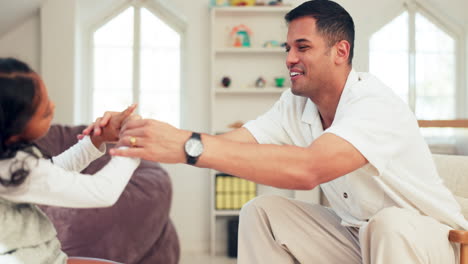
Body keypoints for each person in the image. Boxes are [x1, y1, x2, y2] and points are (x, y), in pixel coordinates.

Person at [87, 0, 467, 263]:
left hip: (432, 243)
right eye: (287, 47)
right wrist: (140, 135)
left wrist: (188, 146)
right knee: (261, 211)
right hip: (360, 237)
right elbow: (228, 146)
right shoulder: (295, 104)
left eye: (302, 47)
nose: (288, 59)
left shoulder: (374, 102)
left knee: (390, 223)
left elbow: (310, 170)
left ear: (340, 51)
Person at [0, 57, 140, 264]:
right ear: (13, 128)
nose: (53, 105)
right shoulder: (9, 170)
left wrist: (96, 140)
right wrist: (133, 143)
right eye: (46, 111)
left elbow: (51, 172)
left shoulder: (10, 161)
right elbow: (103, 193)